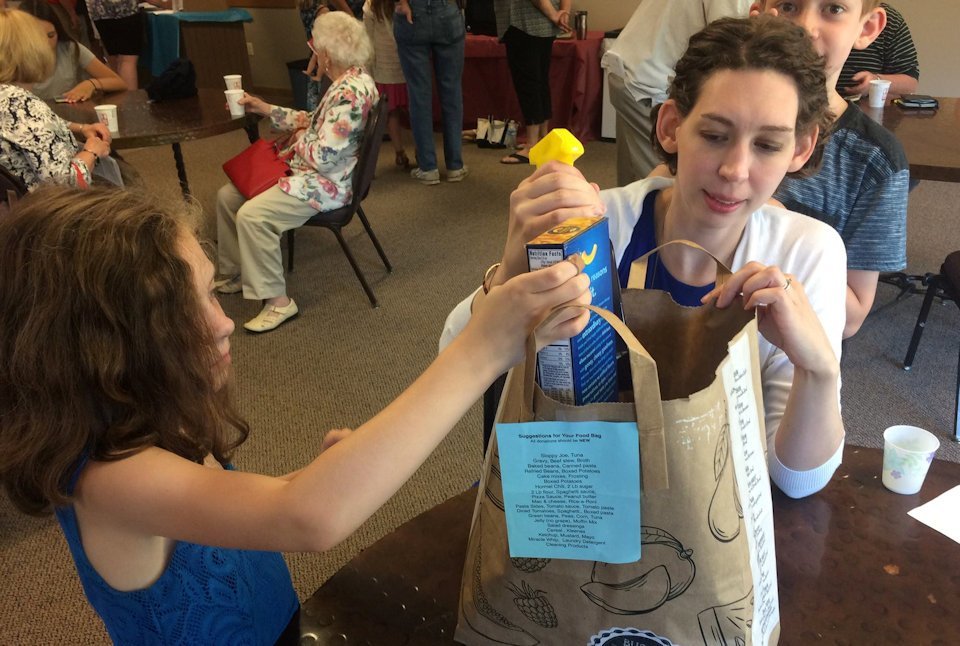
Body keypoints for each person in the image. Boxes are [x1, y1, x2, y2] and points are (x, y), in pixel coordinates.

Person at [0, 185, 590, 644]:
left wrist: (314, 476)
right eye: (185, 313)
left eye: (211, 293)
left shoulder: (149, 421)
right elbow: (307, 517)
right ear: (105, 351)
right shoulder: (111, 479)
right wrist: (482, 351)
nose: (224, 320)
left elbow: (239, 506)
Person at [442, 15, 848, 499]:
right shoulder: (597, 224)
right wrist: (509, 271)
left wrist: (819, 370)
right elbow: (455, 359)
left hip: (704, 513)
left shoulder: (805, 252)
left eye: (767, 145)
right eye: (715, 135)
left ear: (800, 150)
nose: (735, 170)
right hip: (575, 492)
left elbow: (795, 480)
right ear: (673, 126)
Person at [216, 11, 378, 334]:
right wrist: (265, 108)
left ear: (326, 55)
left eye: (314, 46)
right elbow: (313, 121)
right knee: (227, 196)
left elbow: (324, 155)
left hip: (327, 184)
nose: (313, 52)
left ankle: (278, 302)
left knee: (252, 215)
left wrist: (301, 139)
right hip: (318, 174)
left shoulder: (348, 93)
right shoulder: (352, 81)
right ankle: (237, 270)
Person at [756, 0, 909, 338]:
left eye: (833, 9)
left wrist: (772, 227)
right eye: (789, 5)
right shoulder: (716, 108)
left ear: (867, 27)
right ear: (759, 12)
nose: (806, 26)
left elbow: (851, 317)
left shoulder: (876, 161)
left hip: (791, 357)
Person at [601, 0, 751, 185]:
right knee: (664, 185)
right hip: (648, 78)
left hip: (635, 65)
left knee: (635, 181)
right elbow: (734, 46)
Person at [0, 8, 111, 190]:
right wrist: (92, 151)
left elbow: (24, 132)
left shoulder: (9, 100)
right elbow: (66, 182)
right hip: (42, 210)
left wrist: (81, 128)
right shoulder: (20, 103)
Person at [394, 0, 468, 185]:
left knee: (419, 94)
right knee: (451, 91)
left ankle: (428, 168)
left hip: (412, 11)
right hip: (448, 10)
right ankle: (455, 166)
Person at [496, 0, 571, 165]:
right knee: (540, 82)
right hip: (545, 26)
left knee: (528, 85)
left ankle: (531, 146)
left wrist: (553, 14)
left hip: (523, 24)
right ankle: (543, 140)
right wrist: (563, 12)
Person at [17, 0, 126, 102]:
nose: (47, 43)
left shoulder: (69, 48)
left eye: (51, 35)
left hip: (68, 116)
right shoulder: (10, 57)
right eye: (37, 37)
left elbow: (119, 82)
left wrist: (91, 84)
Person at [364, 0, 412, 169]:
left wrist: (369, 70)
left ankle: (400, 152)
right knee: (414, 110)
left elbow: (368, 40)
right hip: (405, 63)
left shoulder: (371, 6)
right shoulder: (404, 4)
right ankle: (422, 153)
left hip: (384, 68)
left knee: (392, 113)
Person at [838, 2, 919, 98]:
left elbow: (910, 84)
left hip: (865, 109)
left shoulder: (891, 21)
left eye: (835, 9)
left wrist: (876, 81)